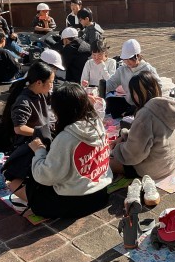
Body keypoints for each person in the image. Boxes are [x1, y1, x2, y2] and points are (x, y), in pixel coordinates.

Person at [8, 82, 112, 218]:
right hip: (101, 194)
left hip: (74, 203)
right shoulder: (97, 124)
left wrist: (39, 150)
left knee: (13, 184)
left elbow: (45, 177)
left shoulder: (66, 137)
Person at [110, 71, 175, 180]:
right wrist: (123, 137)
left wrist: (117, 149)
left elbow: (133, 154)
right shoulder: (164, 105)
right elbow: (146, 136)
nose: (134, 97)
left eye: (135, 93)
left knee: (105, 164)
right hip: (171, 162)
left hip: (152, 169)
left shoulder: (145, 114)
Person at [1, 61, 54, 149]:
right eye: (51, 82)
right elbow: (19, 128)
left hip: (43, 133)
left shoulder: (41, 93)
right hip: (31, 142)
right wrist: (40, 133)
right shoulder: (24, 101)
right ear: (39, 83)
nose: (52, 85)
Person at [105, 39, 162, 117]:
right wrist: (99, 89)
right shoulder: (122, 69)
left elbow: (158, 87)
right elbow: (111, 83)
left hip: (144, 105)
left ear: (137, 56)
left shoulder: (147, 69)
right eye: (125, 59)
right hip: (129, 103)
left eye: (130, 59)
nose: (127, 62)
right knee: (110, 103)